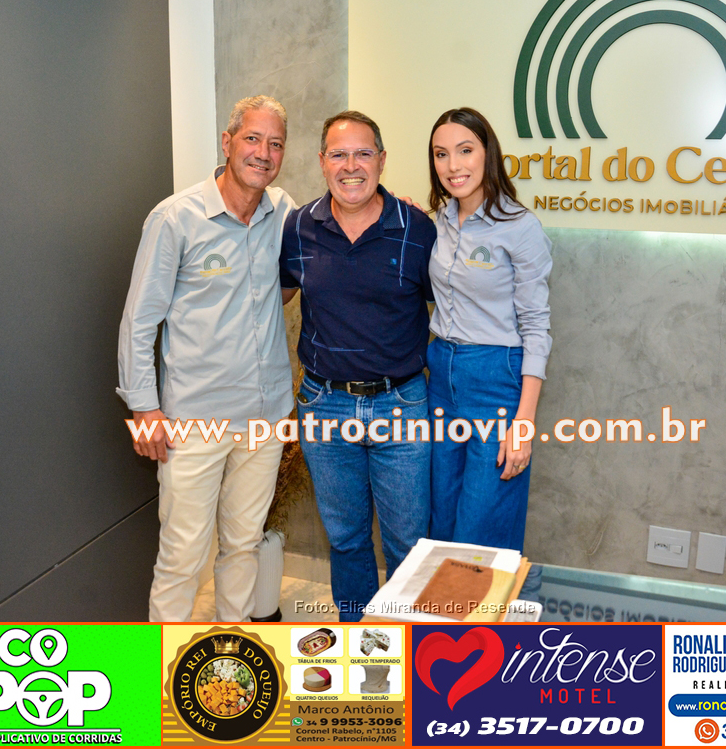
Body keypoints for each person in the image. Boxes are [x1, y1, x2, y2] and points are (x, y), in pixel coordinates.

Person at [117, 95, 295, 622]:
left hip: (265, 418)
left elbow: (300, 269)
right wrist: (144, 407)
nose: (263, 153)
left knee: (243, 546)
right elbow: (139, 321)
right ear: (227, 142)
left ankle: (231, 652)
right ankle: (163, 662)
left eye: (275, 143)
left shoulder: (283, 211)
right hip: (195, 420)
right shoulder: (176, 218)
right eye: (252, 139)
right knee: (182, 558)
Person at [279, 110, 436, 621]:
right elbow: (271, 297)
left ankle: (409, 652)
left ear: (382, 161)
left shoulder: (417, 229)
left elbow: (453, 308)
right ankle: (360, 650)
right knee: (346, 540)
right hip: (324, 405)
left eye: (363, 153)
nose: (351, 166)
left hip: (402, 405)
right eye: (339, 154)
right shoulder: (298, 227)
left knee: (408, 545)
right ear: (322, 161)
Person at [426, 107, 553, 552]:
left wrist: (524, 424)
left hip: (496, 378)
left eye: (465, 150)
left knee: (482, 525)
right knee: (441, 516)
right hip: (441, 374)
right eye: (441, 154)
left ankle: (487, 602)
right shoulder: (439, 221)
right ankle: (443, 602)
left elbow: (537, 326)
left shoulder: (520, 227)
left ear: (488, 154)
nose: (453, 165)